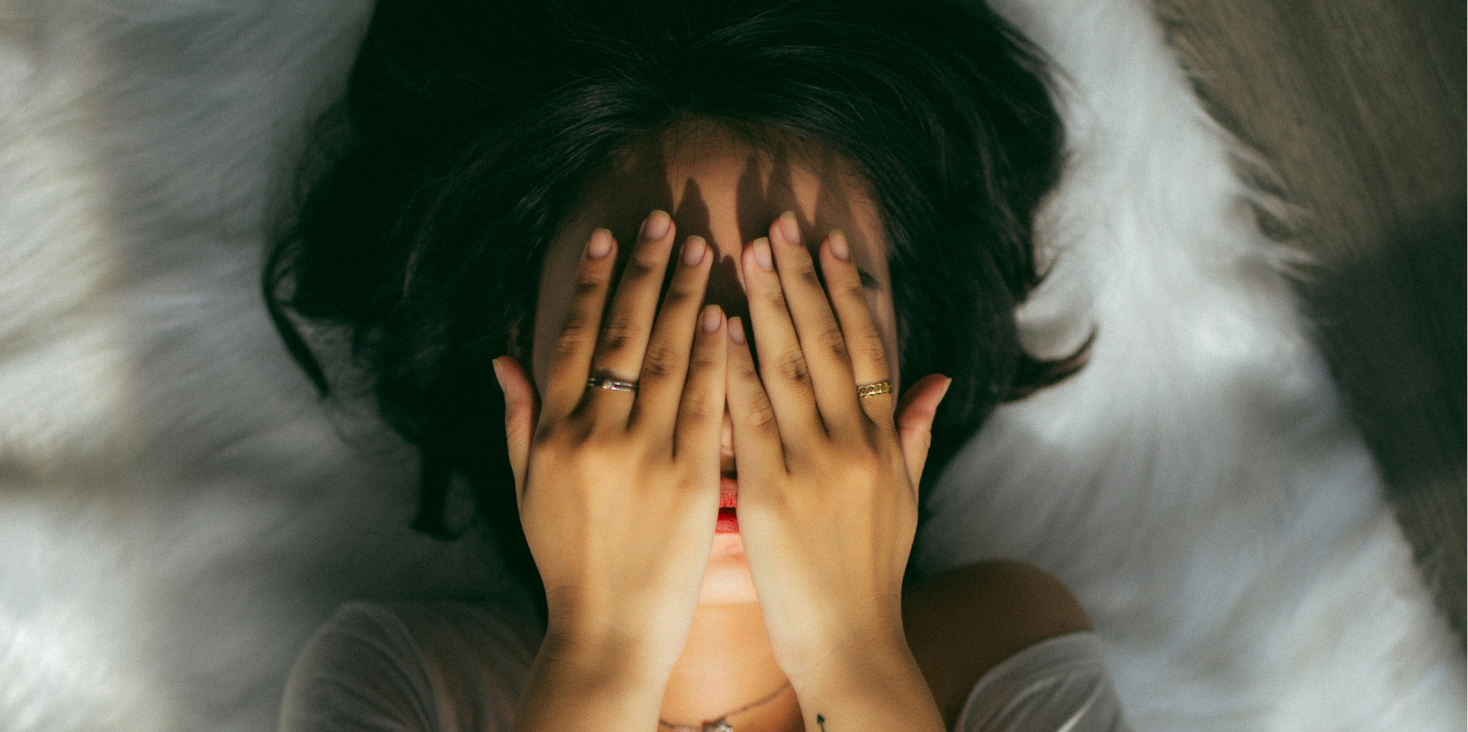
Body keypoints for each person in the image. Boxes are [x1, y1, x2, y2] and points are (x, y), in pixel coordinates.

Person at [266, 0, 1127, 729]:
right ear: (523, 344)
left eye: (804, 321)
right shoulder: (400, 683)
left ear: (900, 353)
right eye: (645, 324)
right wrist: (601, 655)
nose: (726, 398)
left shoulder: (1002, 649)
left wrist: (855, 655)